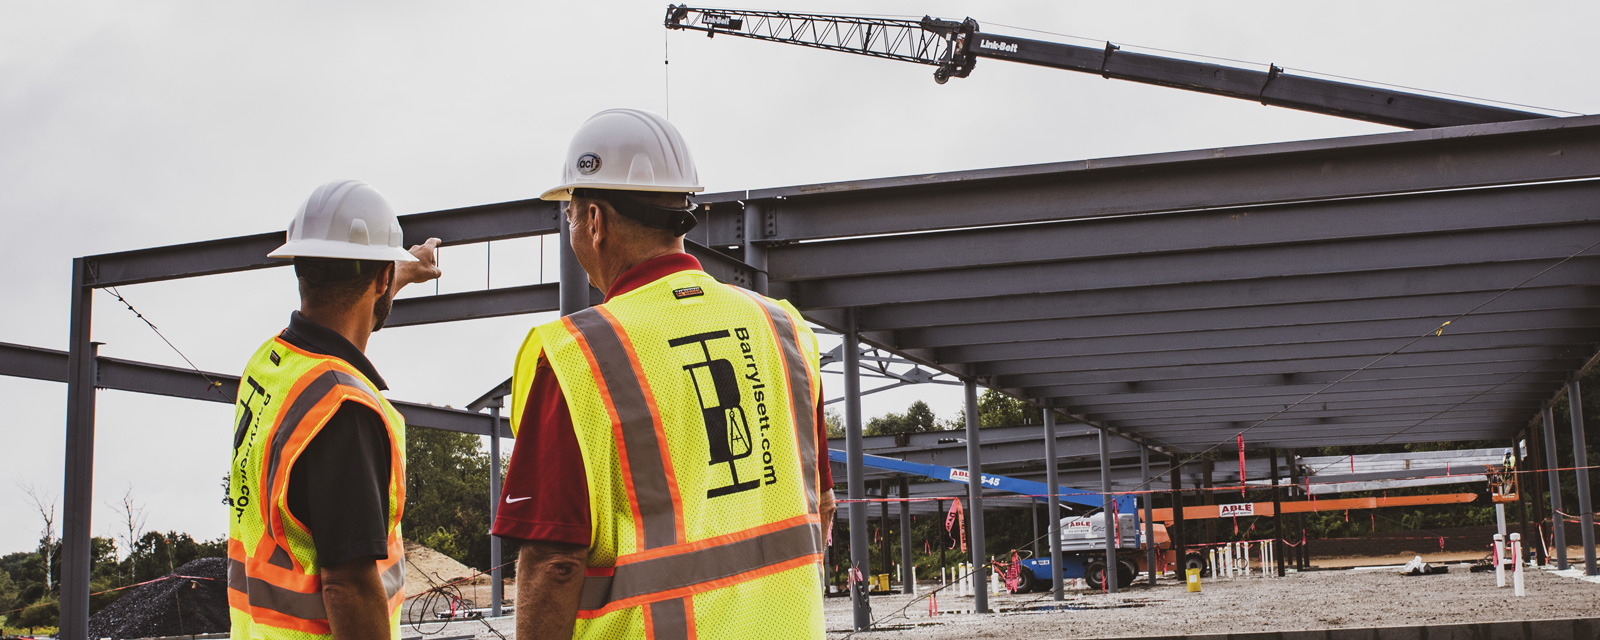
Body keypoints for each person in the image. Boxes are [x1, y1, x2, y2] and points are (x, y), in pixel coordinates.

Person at [493, 108, 836, 640]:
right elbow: (823, 505)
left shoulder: (577, 356)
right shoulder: (782, 329)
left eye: (568, 214)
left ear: (595, 222)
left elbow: (554, 563)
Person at [227, 179, 441, 640]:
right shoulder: (343, 409)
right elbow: (347, 586)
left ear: (300, 267)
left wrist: (401, 270)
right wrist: (389, 271)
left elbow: (347, 315)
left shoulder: (271, 364)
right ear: (380, 278)